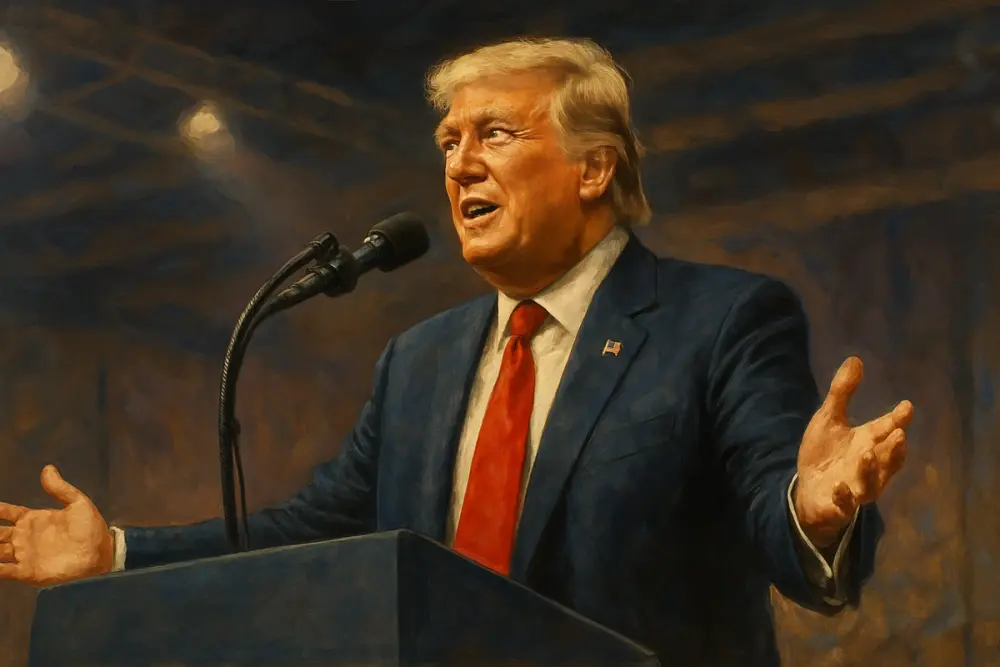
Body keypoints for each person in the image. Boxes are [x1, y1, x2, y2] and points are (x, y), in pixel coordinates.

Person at [0, 38, 912, 666]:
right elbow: (308, 530)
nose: (459, 164)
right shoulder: (419, 362)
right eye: (449, 141)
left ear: (594, 168)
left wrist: (814, 508)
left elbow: (778, 519)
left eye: (496, 136)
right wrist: (119, 552)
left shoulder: (720, 319)